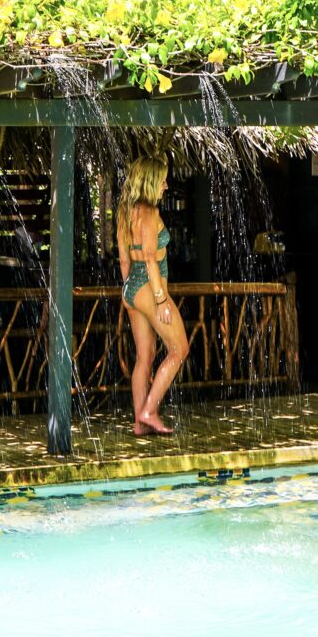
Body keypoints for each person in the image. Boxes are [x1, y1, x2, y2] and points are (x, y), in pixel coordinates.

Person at [117, 156, 189, 435]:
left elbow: (124, 261)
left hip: (132, 287)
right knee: (179, 349)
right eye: (161, 180)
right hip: (149, 287)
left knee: (144, 357)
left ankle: (139, 424)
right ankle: (149, 410)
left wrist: (129, 294)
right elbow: (149, 258)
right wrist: (159, 301)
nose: (166, 186)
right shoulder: (149, 213)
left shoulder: (126, 212)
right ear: (149, 181)